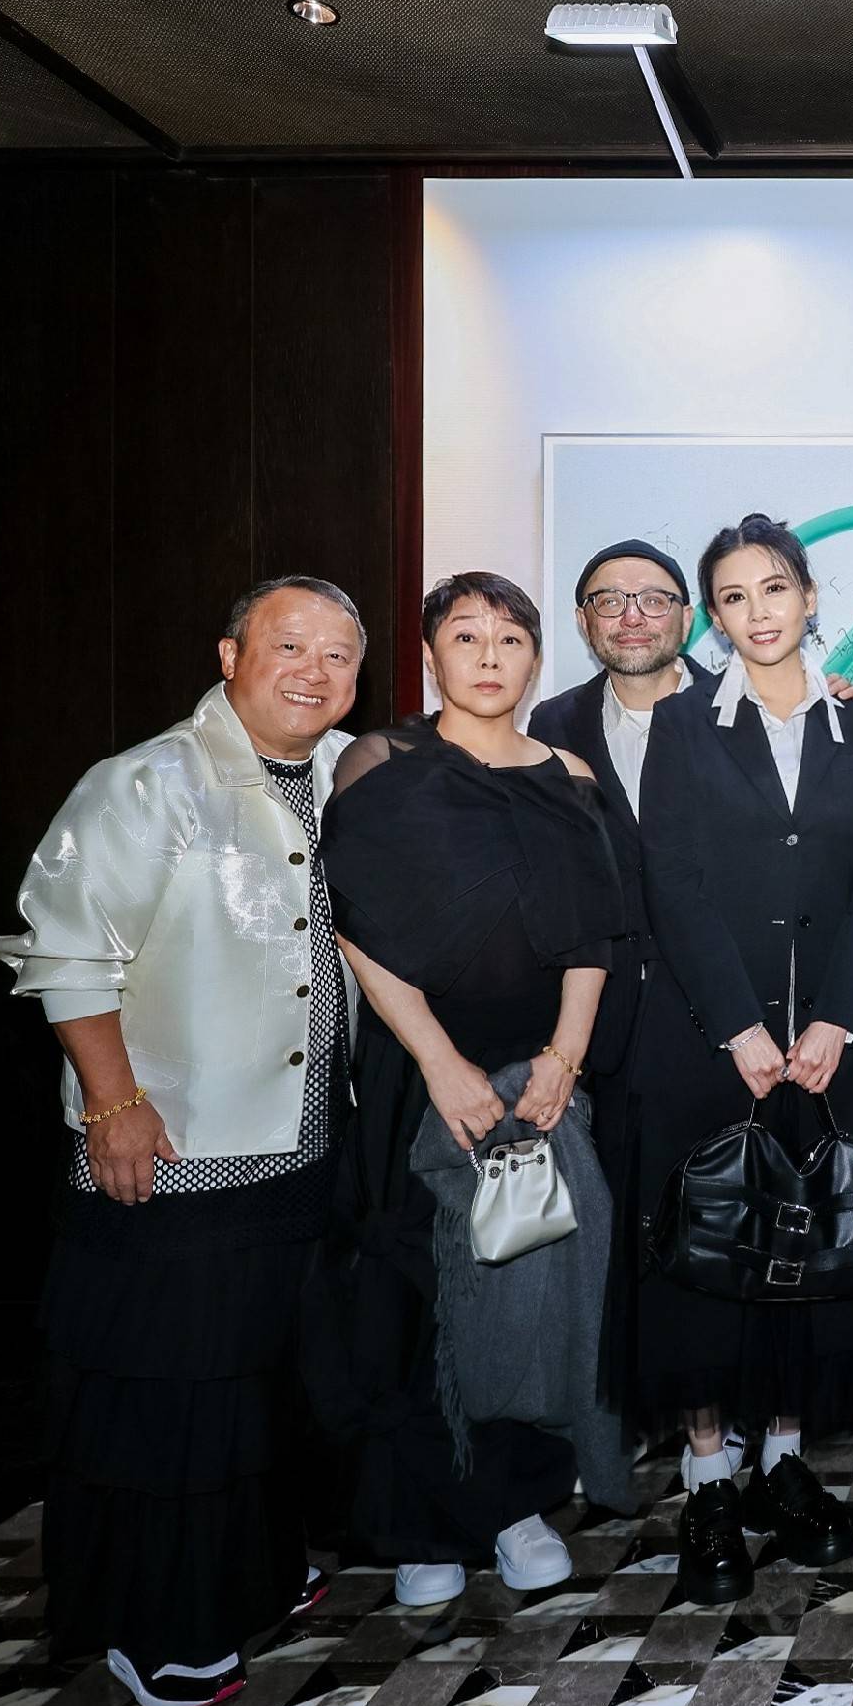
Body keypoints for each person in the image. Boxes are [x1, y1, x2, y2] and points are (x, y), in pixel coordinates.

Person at [0, 576, 367, 1706]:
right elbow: (64, 950)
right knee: (168, 1397)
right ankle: (156, 1620)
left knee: (259, 1383)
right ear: (230, 654)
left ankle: (254, 1567)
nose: (313, 670)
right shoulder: (148, 780)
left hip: (300, 1147)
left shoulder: (348, 773)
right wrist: (112, 1102)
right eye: (288, 645)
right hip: (174, 1149)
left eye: (339, 654)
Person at [313, 572, 626, 1611]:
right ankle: (422, 1523)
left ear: (536, 656)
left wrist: (564, 1057)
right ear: (429, 654)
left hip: (539, 1075)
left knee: (530, 1283)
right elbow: (356, 924)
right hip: (422, 1072)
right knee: (422, 1291)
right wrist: (441, 1063)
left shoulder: (569, 773)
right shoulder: (383, 764)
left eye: (510, 638)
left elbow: (594, 931)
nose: (490, 656)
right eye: (466, 636)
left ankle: (516, 1504)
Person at [636, 513, 853, 1606]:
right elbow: (674, 883)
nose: (757, 612)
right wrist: (738, 1027)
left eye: (773, 588)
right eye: (733, 596)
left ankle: (787, 1463)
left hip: (834, 1050)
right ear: (715, 617)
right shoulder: (683, 725)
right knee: (709, 1258)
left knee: (813, 1254)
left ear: (808, 596)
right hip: (718, 1044)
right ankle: (710, 1476)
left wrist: (838, 1020)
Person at [527, 539, 715, 1433]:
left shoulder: (746, 707)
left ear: (689, 616)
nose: (632, 616)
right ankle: (650, 1421)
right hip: (602, 1020)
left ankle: (753, 1429)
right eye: (610, 600)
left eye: (653, 598)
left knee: (729, 1218)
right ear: (582, 621)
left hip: (725, 1014)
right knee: (623, 1226)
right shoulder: (547, 728)